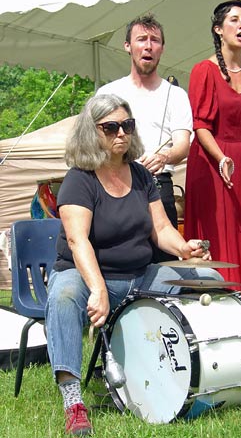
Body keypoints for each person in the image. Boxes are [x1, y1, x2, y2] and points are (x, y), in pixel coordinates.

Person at [45, 94, 221, 436]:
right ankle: (73, 401)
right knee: (64, 296)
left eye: (127, 125)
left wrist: (185, 248)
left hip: (141, 276)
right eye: (110, 127)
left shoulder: (141, 176)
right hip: (90, 276)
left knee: (207, 278)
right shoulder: (80, 179)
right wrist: (97, 289)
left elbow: (161, 230)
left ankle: (205, 376)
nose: (120, 133)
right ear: (91, 132)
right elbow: (76, 241)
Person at [184, 0, 241, 335]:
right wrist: (221, 156)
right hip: (211, 162)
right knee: (216, 241)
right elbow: (200, 125)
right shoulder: (204, 71)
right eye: (235, 20)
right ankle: (213, 328)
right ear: (218, 28)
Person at [96, 13, 193, 263]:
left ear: (162, 48)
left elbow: (183, 144)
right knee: (116, 263)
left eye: (155, 40)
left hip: (159, 186)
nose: (148, 46)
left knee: (165, 266)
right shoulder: (107, 92)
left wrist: (165, 156)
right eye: (141, 39)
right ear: (127, 46)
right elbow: (94, 140)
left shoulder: (176, 95)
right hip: (114, 185)